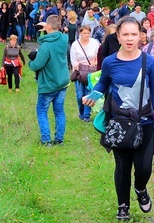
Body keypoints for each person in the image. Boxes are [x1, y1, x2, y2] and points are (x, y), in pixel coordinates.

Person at [82, 17, 154, 221]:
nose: (130, 39)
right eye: (125, 34)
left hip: (145, 122)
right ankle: (123, 206)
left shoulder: (149, 62)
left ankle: (140, 189)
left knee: (144, 167)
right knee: (123, 167)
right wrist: (92, 95)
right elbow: (102, 84)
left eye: (134, 34)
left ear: (141, 37)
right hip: (119, 122)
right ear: (118, 36)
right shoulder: (110, 62)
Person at [28, 15, 70, 146]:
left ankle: (46, 140)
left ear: (49, 27)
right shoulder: (64, 38)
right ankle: (59, 139)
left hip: (49, 83)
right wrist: (46, 28)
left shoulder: (46, 46)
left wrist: (31, 62)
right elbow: (58, 33)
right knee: (59, 111)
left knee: (41, 110)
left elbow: (37, 65)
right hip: (62, 81)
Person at [70, 25, 100, 122]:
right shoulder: (75, 45)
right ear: (80, 34)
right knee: (80, 94)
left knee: (89, 93)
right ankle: (81, 111)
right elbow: (74, 60)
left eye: (88, 33)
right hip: (79, 72)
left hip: (91, 72)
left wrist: (95, 62)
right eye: (84, 33)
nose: (86, 35)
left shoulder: (94, 43)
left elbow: (98, 55)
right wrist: (79, 65)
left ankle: (87, 115)